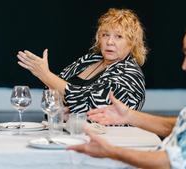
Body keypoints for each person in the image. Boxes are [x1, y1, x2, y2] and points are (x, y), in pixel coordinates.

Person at [68, 17, 186, 169]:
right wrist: (129, 115)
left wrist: (111, 152)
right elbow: (185, 124)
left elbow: (171, 162)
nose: (184, 65)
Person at [16, 8, 147, 114]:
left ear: (132, 43)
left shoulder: (130, 73)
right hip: (65, 133)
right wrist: (45, 77)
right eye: (105, 35)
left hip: (107, 141)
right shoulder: (89, 59)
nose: (109, 42)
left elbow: (90, 104)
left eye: (118, 37)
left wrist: (46, 75)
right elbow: (52, 92)